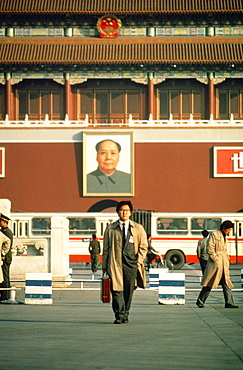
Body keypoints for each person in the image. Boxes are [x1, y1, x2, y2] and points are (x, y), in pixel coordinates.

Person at [102, 201, 148, 324]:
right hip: (115, 263)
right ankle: (119, 315)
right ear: (117, 212)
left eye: (127, 210)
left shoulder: (138, 228)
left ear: (131, 212)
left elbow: (144, 246)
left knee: (129, 289)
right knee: (116, 290)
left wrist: (139, 261)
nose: (124, 212)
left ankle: (125, 313)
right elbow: (106, 248)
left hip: (131, 264)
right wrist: (104, 266)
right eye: (122, 210)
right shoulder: (111, 228)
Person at [196, 220, 238, 309]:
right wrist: (215, 259)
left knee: (226, 282)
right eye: (228, 230)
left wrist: (226, 258)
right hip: (215, 264)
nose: (229, 232)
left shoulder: (224, 236)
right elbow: (210, 248)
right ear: (223, 228)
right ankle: (200, 300)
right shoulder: (214, 234)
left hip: (223, 263)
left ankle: (229, 302)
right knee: (209, 282)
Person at [0, 214, 12, 302]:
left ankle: (5, 295)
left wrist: (3, 253)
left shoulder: (7, 232)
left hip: (5, 256)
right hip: (4, 256)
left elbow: (8, 244)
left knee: (5, 276)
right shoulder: (3, 231)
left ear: (4, 222)